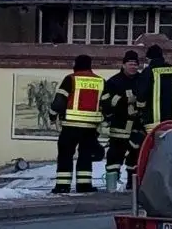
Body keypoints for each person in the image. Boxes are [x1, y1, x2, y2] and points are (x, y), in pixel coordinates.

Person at [50, 54, 104, 194]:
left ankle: (63, 186)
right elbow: (106, 104)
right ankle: (84, 185)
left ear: (76, 64)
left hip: (71, 125)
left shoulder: (71, 79)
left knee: (65, 155)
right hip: (90, 127)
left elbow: (59, 101)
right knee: (85, 155)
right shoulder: (100, 81)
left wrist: (52, 115)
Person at [100, 50, 140, 192]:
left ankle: (132, 183)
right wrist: (125, 100)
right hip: (119, 126)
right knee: (115, 156)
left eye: (135, 64)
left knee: (136, 156)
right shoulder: (114, 82)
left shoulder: (142, 80)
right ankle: (112, 185)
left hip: (137, 126)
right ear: (123, 65)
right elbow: (106, 102)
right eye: (130, 64)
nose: (133, 67)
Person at [134, 43, 172, 129]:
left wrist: (139, 110)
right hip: (171, 120)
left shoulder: (148, 72)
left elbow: (142, 95)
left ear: (149, 59)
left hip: (153, 120)